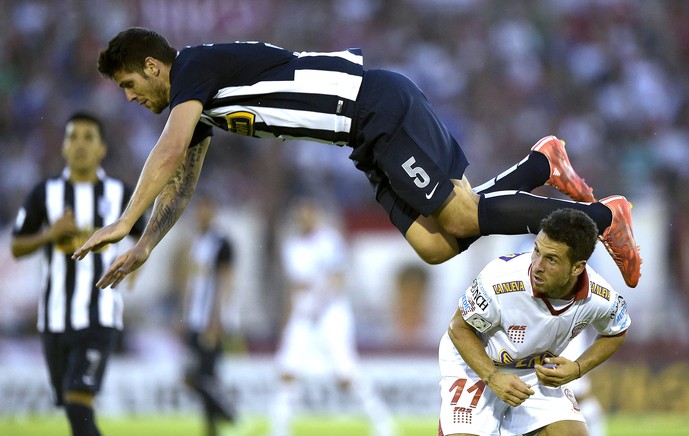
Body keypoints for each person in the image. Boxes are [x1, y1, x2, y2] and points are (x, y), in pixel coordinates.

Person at [72, 27, 641, 290]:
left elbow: (167, 150)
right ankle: (542, 166)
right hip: (361, 139)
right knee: (436, 246)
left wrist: (123, 221)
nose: (129, 98)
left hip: (373, 106)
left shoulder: (192, 65)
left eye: (127, 83)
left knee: (462, 218)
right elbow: (180, 176)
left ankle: (607, 219)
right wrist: (145, 243)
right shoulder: (196, 108)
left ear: (152, 66)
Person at [10, 112, 146, 436]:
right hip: (54, 319)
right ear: (63, 147)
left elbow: (144, 238)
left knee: (77, 400)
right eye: (73, 137)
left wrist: (133, 268)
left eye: (89, 137)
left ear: (102, 149)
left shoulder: (122, 194)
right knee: (75, 409)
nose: (80, 144)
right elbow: (16, 246)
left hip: (99, 316)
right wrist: (48, 235)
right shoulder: (44, 194)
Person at [437, 208, 630, 436]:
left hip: (534, 374)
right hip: (477, 366)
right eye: (536, 251)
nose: (537, 265)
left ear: (577, 267)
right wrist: (493, 377)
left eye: (551, 259)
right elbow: (458, 327)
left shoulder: (600, 297)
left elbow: (617, 331)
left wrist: (578, 368)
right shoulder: (500, 278)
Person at [271, 199, 394, 436]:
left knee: (345, 372)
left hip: (330, 312)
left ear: (315, 213)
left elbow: (336, 279)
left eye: (307, 211)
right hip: (303, 313)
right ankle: (279, 428)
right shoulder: (292, 246)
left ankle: (381, 422)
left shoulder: (328, 240)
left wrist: (318, 305)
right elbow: (294, 287)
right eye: (299, 212)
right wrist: (287, 321)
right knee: (288, 368)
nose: (303, 216)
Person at [177, 194, 237, 436]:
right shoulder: (197, 242)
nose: (200, 213)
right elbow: (192, 283)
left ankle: (228, 416)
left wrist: (215, 320)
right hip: (194, 319)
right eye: (198, 209)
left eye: (204, 208)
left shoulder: (222, 243)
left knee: (205, 376)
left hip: (211, 321)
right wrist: (182, 315)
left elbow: (224, 282)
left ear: (213, 211)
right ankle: (214, 425)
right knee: (194, 377)